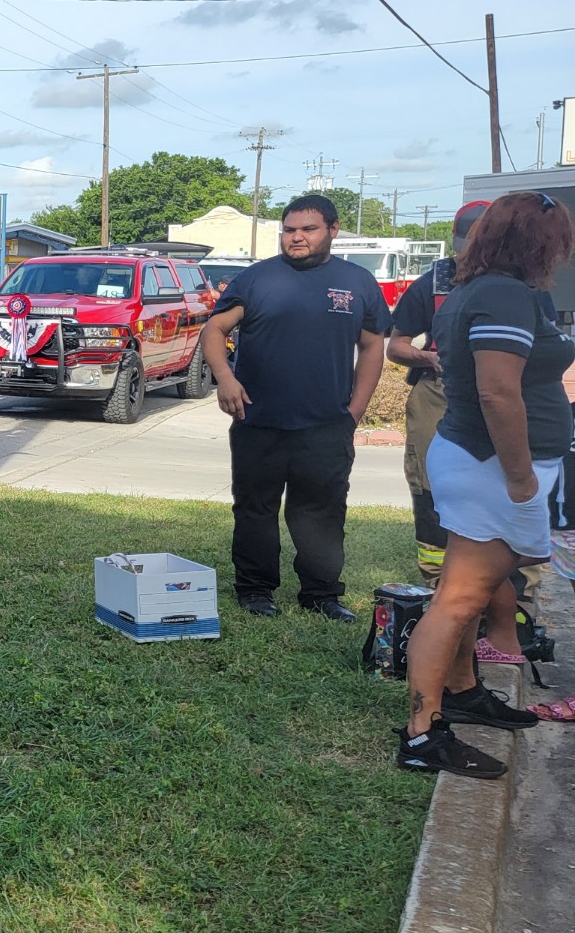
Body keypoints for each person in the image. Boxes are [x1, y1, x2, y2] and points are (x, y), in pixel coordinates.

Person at [397, 192, 575, 777]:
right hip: (491, 466)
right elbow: (499, 393)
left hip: (487, 463)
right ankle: (422, 735)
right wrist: (523, 480)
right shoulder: (501, 293)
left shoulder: (494, 289)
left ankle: (464, 688)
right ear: (536, 242)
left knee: (470, 587)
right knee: (459, 599)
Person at [200, 194, 388, 620]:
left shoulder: (357, 282)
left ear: (333, 230)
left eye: (308, 229)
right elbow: (215, 328)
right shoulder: (257, 279)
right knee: (255, 509)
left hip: (325, 425)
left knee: (321, 512)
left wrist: (354, 412)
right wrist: (225, 378)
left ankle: (321, 595)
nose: (297, 237)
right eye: (289, 230)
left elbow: (373, 345)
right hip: (258, 420)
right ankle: (255, 590)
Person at [387, 201, 490, 587]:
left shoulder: (526, 284)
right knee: (431, 484)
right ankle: (436, 580)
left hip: (504, 392)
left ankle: (516, 595)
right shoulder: (435, 280)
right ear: (455, 239)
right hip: (439, 392)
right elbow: (395, 347)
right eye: (467, 241)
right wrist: (427, 357)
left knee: (506, 485)